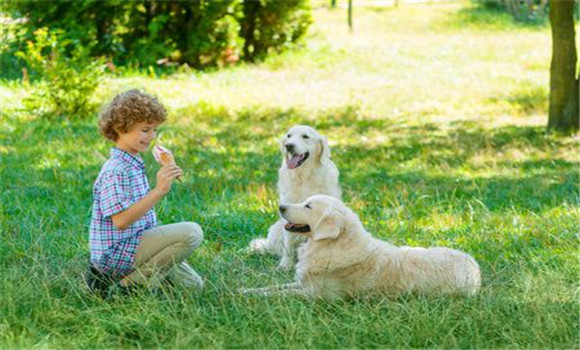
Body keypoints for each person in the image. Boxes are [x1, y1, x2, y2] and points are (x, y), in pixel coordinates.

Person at [86, 89, 203, 297]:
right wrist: (158, 191)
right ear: (120, 128)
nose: (151, 137)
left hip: (135, 244)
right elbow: (121, 221)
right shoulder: (116, 170)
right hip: (115, 254)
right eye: (145, 130)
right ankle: (126, 287)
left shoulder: (133, 161)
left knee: (192, 286)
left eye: (154, 130)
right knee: (191, 233)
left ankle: (142, 279)